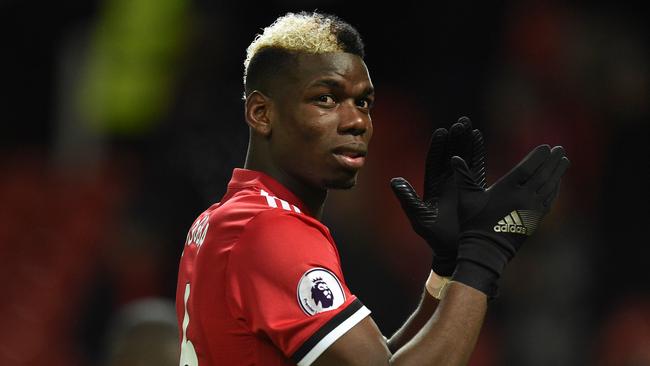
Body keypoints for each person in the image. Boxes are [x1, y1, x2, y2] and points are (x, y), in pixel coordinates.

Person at [174, 11, 570, 366]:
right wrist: (484, 255)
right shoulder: (269, 230)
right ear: (261, 113)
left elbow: (378, 358)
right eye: (325, 98)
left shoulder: (225, 220)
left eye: (363, 103)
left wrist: (446, 271)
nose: (356, 122)